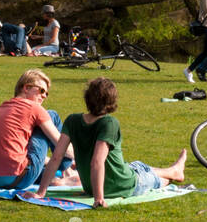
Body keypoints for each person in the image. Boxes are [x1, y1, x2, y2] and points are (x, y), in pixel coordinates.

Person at [26, 77, 187, 208]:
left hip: (93, 185)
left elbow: (56, 158)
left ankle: (173, 170)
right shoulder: (109, 123)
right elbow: (97, 162)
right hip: (122, 185)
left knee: (137, 166)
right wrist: (99, 198)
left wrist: (41, 193)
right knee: (150, 178)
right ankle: (173, 173)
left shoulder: (72, 120)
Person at [0, 69, 80, 190]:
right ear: (26, 88)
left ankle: (55, 179)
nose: (44, 96)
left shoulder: (3, 107)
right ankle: (67, 171)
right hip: (20, 178)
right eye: (42, 90)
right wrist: (82, 159)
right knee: (51, 115)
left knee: (39, 163)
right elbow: (64, 148)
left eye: (46, 93)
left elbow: (16, 153)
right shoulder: (34, 108)